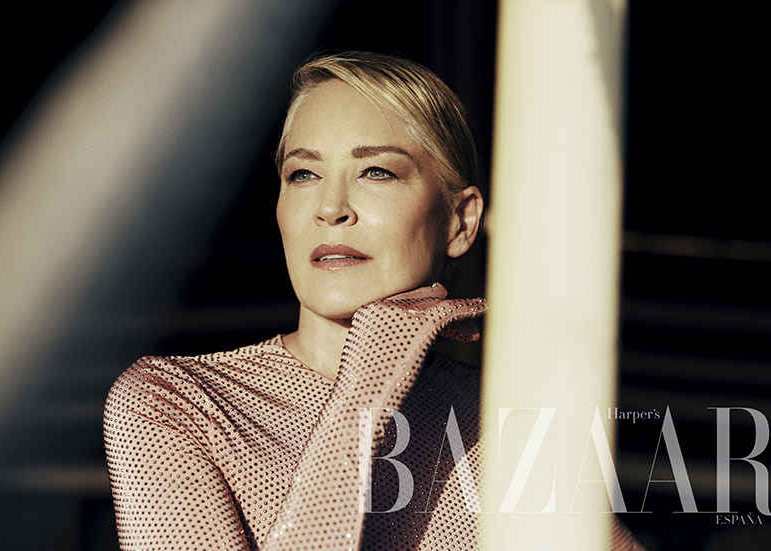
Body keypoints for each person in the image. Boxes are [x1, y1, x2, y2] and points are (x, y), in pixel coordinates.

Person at [104, 51, 643, 550]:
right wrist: (371, 374)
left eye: (376, 172)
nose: (331, 207)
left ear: (460, 221)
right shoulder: (174, 403)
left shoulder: (505, 419)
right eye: (304, 174)